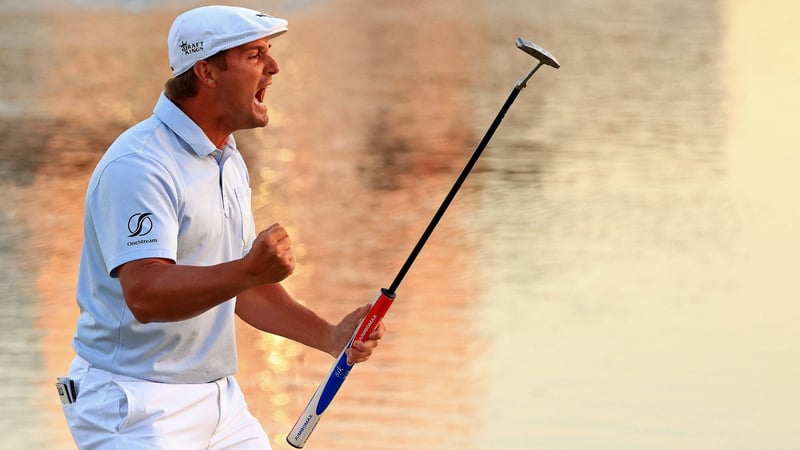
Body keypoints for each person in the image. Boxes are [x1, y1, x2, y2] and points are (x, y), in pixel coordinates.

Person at [59, 6, 385, 449]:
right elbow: (146, 295)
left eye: (268, 53)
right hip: (133, 405)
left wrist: (329, 336)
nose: (273, 67)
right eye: (255, 55)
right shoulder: (139, 165)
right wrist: (248, 271)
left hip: (219, 401)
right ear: (207, 73)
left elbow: (237, 287)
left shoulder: (227, 159)